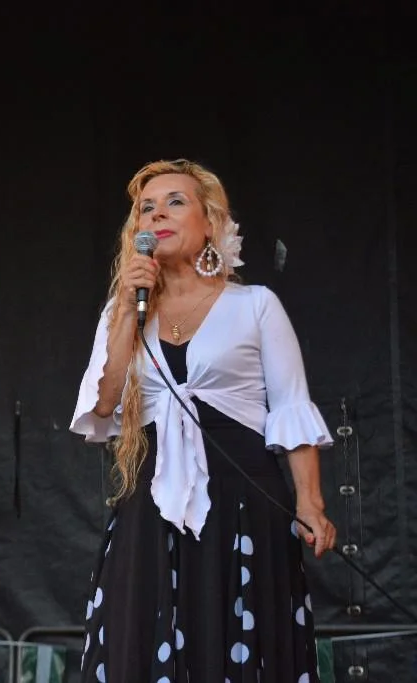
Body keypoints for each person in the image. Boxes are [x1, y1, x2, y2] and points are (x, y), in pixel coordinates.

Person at [70, 159, 337, 682]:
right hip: (151, 505)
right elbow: (102, 406)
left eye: (175, 202)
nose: (157, 214)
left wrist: (310, 502)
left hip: (243, 503)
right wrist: (125, 310)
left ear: (210, 223)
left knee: (237, 644)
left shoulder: (255, 306)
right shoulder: (123, 312)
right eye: (147, 208)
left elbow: (291, 407)